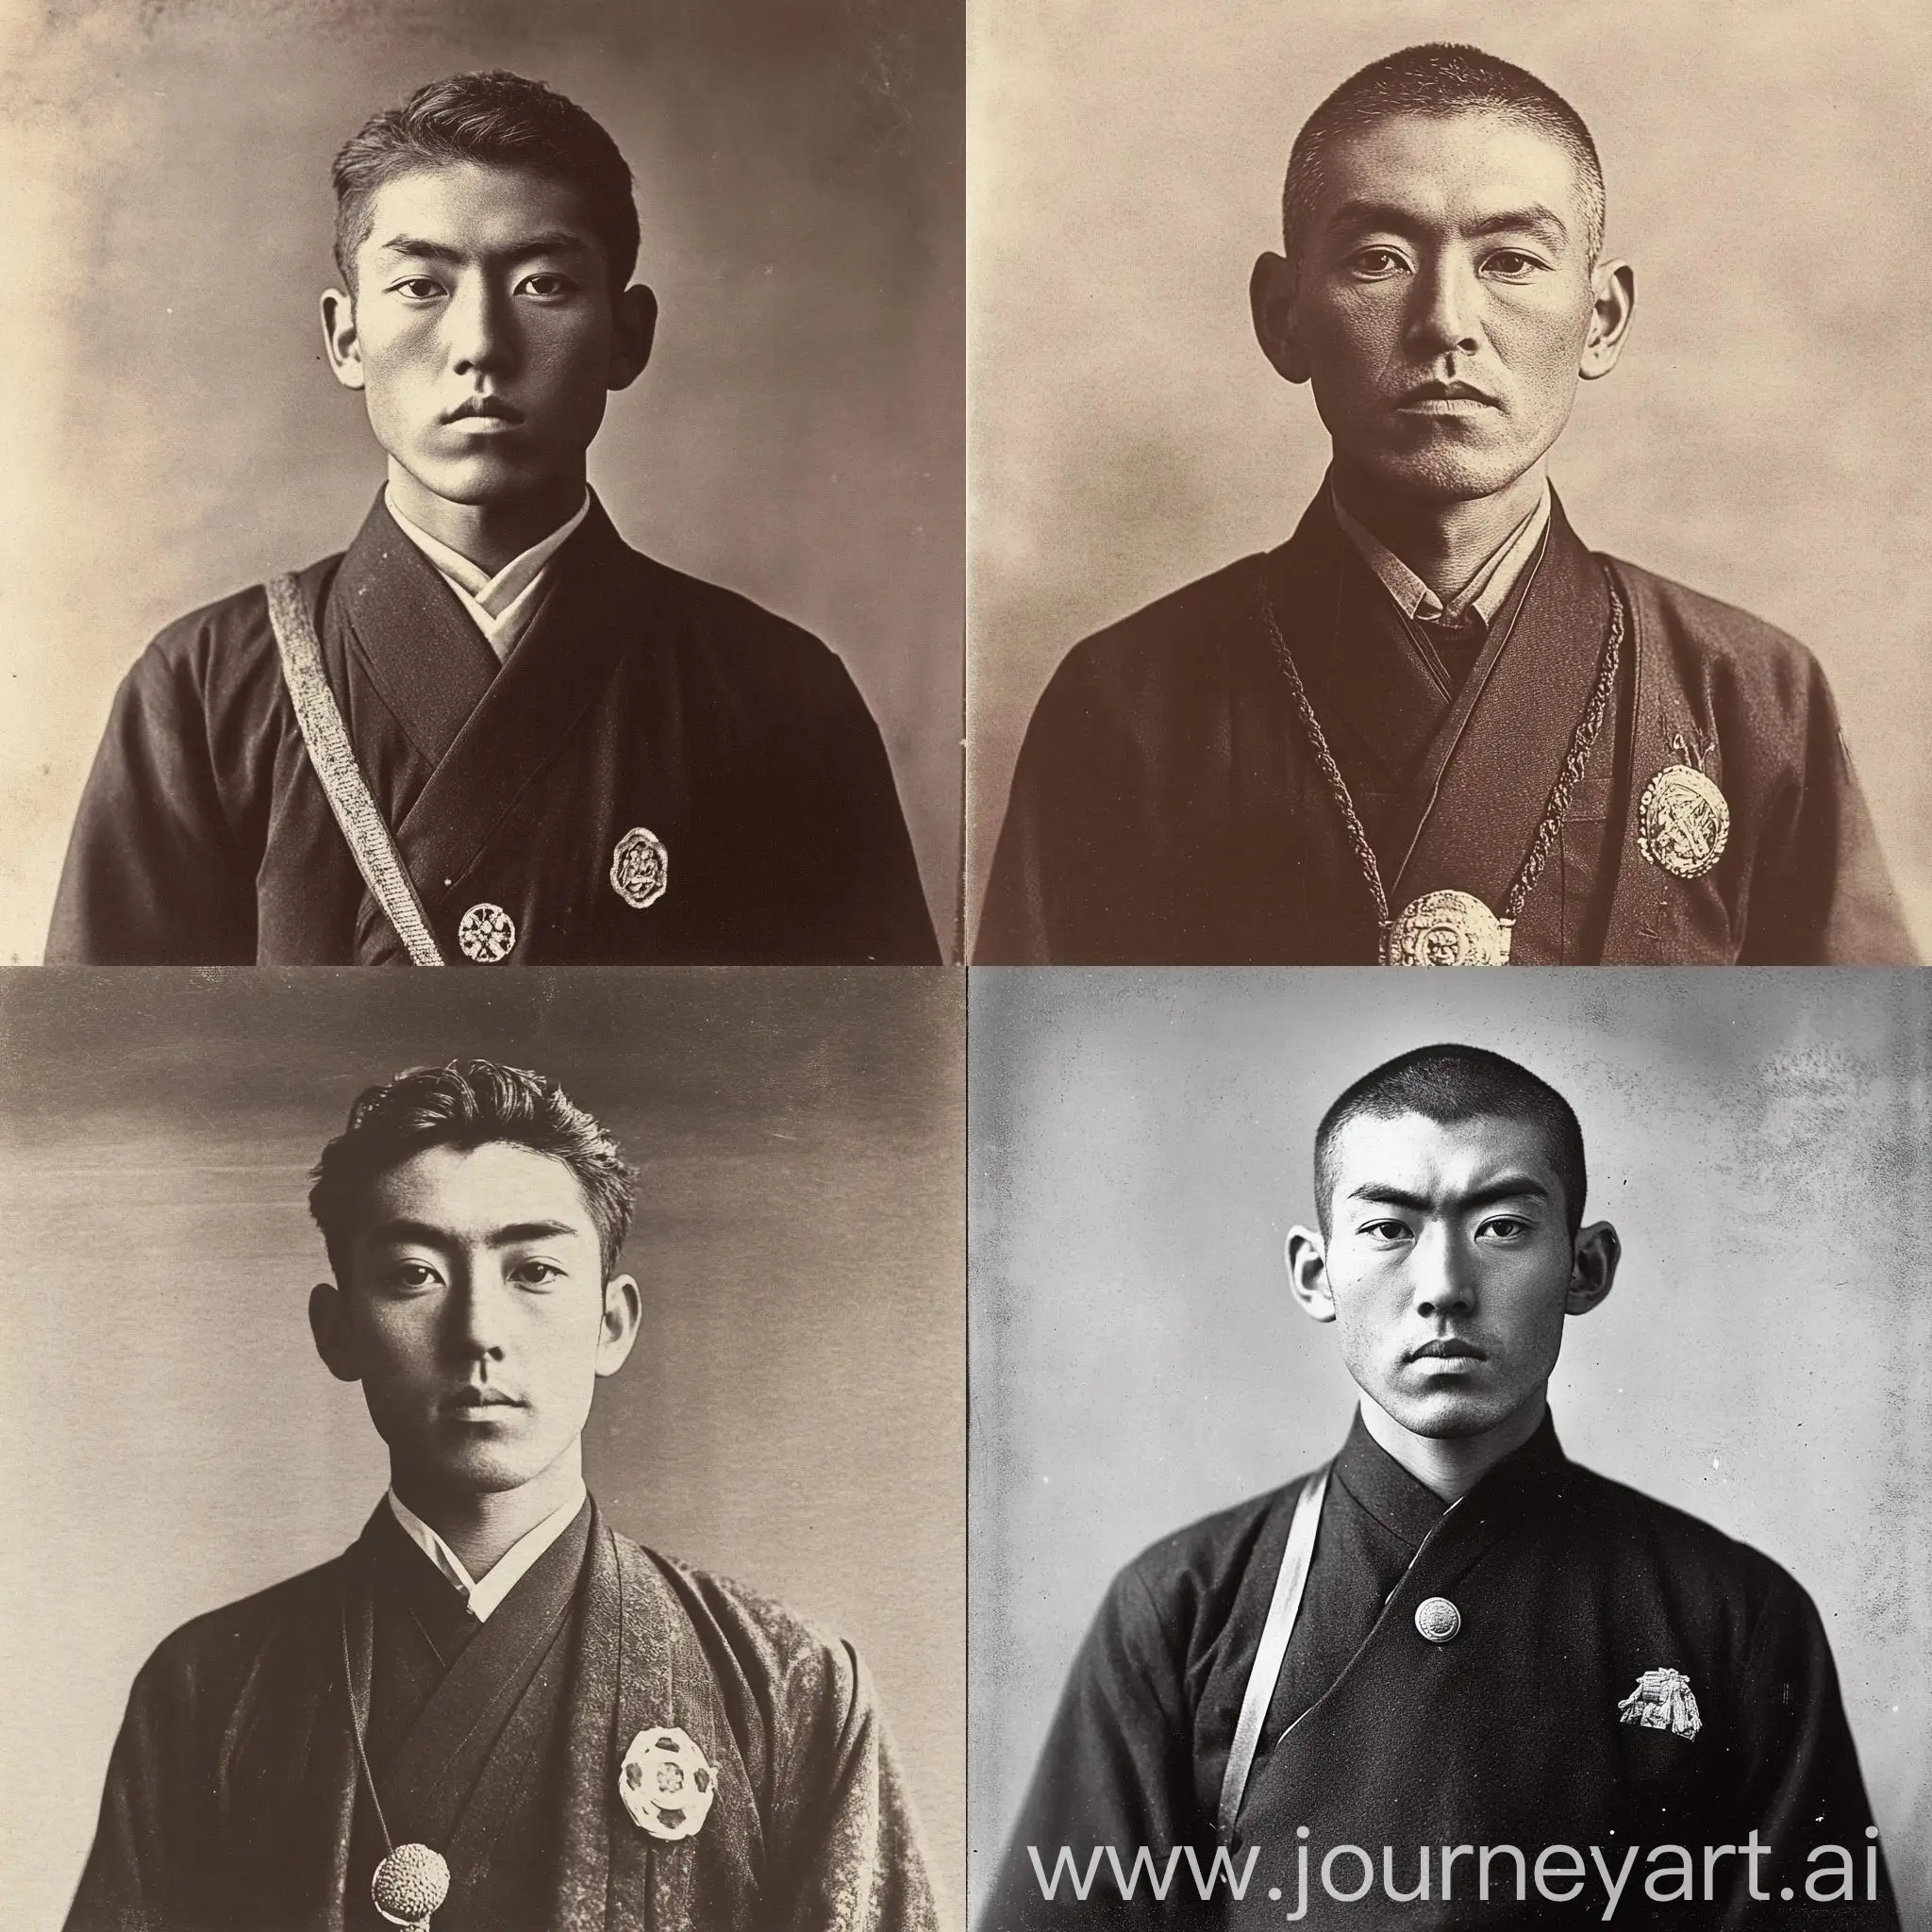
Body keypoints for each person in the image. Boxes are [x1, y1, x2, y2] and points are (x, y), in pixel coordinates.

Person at [975, 44, 1913, 966]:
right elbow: (1048, 1097)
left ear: (1601, 320)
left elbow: (1857, 1094)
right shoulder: (1128, 698)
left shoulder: (1745, 693)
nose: (1446, 322)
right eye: (1379, 258)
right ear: (1282, 315)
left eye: (1508, 260)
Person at [982, 1045, 1897, 1928]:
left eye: (1500, 1225)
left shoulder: (1730, 1614)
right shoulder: (1182, 1606)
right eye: (1386, 1226)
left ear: (1584, 1266)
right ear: (1315, 1272)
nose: (1444, 1287)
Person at [48, 72, 939, 967]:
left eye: (543, 284)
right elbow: (112, 1088)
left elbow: (872, 1088)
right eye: (421, 287)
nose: (480, 345)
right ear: (346, 338)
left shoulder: (776, 693)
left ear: (627, 336)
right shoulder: (205, 690)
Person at [66, 1060, 939, 1932]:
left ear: (611, 1324)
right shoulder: (208, 1686)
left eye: (534, 1272)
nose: (478, 1331)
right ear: (337, 1333)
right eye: (415, 1273)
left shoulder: (788, 1685)